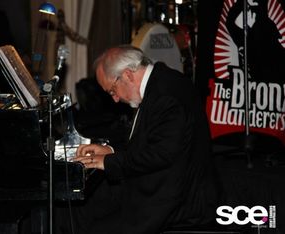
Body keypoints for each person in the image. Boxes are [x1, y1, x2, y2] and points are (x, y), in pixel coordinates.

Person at [61, 45, 219, 234]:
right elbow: (150, 142)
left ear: (127, 75)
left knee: (92, 226)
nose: (115, 99)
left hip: (178, 203)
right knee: (81, 213)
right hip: (165, 187)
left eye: (112, 90)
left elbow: (160, 154)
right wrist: (111, 151)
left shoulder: (165, 97)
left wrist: (109, 162)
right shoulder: (163, 80)